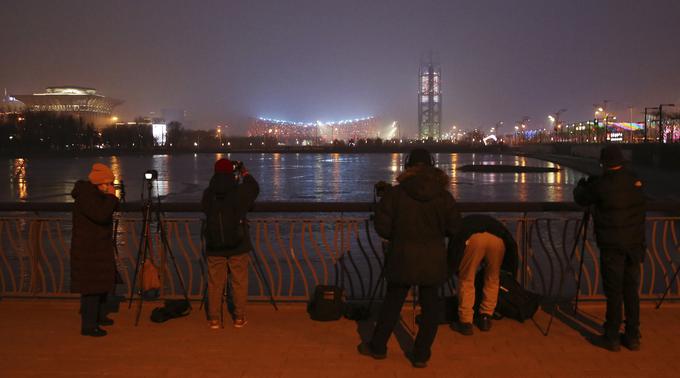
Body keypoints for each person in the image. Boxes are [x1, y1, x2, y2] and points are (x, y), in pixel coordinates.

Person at [358, 148, 461, 368]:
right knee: (430, 308)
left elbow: (383, 228)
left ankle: (378, 347)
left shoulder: (395, 194)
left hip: (402, 256)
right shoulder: (443, 196)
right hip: (433, 259)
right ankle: (421, 355)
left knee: (392, 304)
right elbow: (455, 227)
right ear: (432, 165)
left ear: (407, 166)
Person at [573, 145, 646, 352]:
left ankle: (611, 336)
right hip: (635, 244)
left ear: (603, 163)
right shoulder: (634, 181)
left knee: (614, 292)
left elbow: (581, 198)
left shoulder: (601, 185)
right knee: (631, 290)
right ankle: (632, 336)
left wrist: (582, 185)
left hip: (612, 245)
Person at [202, 158, 259, 329]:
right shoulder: (239, 192)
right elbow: (254, 188)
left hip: (214, 244)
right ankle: (239, 318)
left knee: (214, 282)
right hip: (238, 244)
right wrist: (244, 172)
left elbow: (205, 209)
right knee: (239, 281)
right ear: (231, 172)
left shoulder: (208, 193)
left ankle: (214, 319)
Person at [70, 163, 120, 337]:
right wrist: (112, 199)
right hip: (88, 249)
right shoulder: (87, 197)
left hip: (95, 247)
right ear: (99, 183)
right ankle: (89, 326)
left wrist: (111, 199)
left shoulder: (94, 195)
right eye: (107, 183)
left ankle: (98, 317)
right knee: (91, 288)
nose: (109, 187)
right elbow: (101, 215)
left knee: (99, 285)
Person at [449, 214, 518, 335]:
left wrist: (454, 268)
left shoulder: (461, 227)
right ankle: (485, 317)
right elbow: (510, 242)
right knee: (492, 279)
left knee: (466, 279)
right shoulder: (491, 223)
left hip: (474, 240)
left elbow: (455, 250)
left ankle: (465, 322)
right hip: (497, 240)